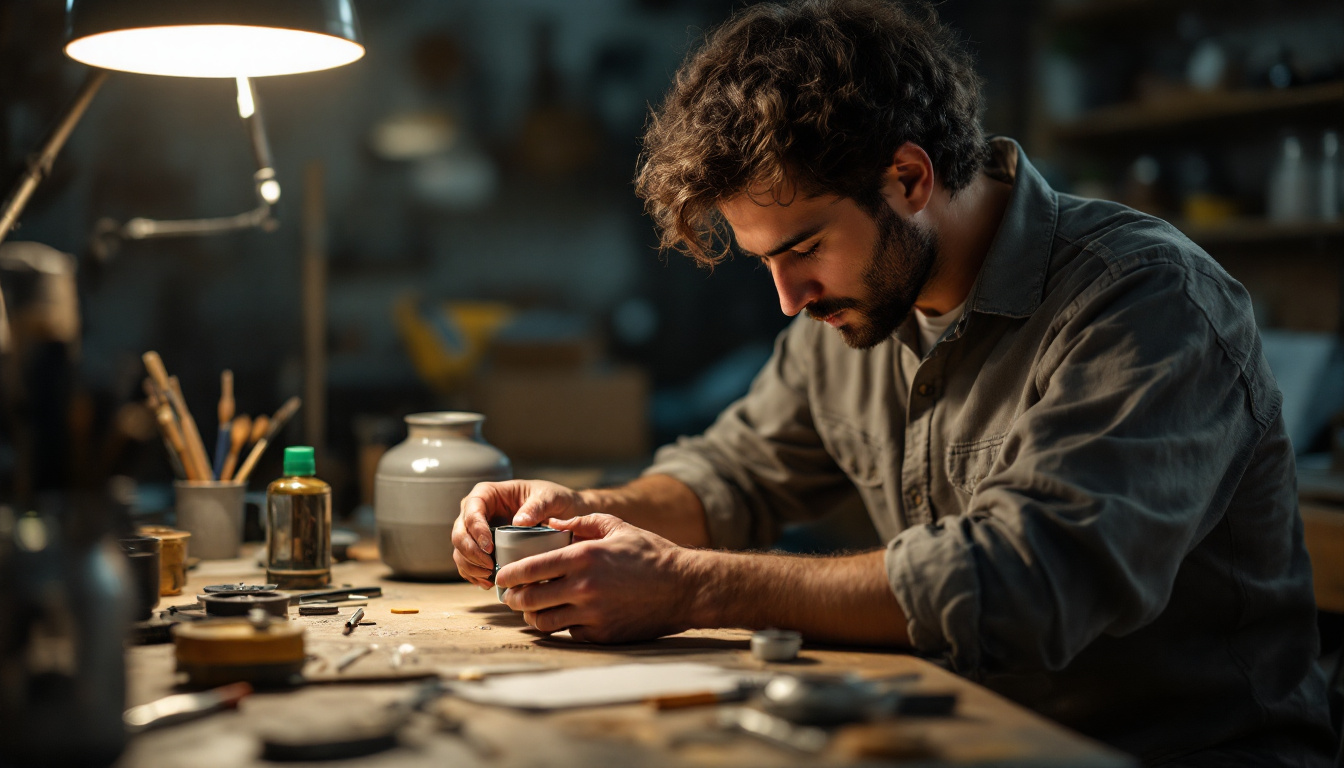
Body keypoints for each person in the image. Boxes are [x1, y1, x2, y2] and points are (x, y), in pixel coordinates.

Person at [451, 0, 1337, 763]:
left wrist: (689, 586)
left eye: (800, 248)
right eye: (766, 261)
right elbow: (730, 476)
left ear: (910, 177)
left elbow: (1027, 580)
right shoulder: (858, 307)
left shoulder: (1146, 301)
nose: (790, 299)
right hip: (966, 735)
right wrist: (568, 521)